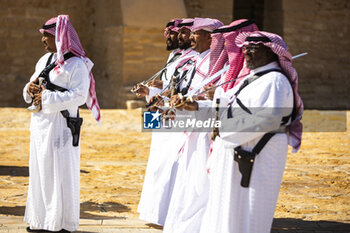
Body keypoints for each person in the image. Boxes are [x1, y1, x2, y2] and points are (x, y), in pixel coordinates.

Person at [199, 31, 303, 233]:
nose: (247, 52)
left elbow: (266, 120)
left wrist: (224, 129)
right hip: (236, 150)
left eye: (253, 48)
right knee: (228, 209)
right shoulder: (256, 78)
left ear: (272, 53)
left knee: (248, 212)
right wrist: (216, 96)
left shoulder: (275, 81)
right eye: (245, 48)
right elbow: (232, 103)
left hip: (256, 155)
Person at [23, 15, 100, 233]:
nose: (43, 40)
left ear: (58, 36)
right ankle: (41, 221)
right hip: (40, 126)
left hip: (62, 127)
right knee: (40, 171)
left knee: (61, 173)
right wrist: (29, 89)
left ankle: (61, 224)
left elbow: (79, 96)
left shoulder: (78, 65)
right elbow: (33, 82)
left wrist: (46, 97)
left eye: (46, 35)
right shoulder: (44, 61)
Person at [162, 17, 223, 233]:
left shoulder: (215, 63)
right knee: (188, 180)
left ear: (210, 38)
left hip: (205, 130)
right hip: (188, 125)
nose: (192, 37)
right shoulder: (195, 59)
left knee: (200, 183)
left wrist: (193, 104)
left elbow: (213, 99)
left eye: (197, 33)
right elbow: (184, 89)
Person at [136, 18, 197, 226]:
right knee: (156, 161)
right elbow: (169, 85)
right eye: (172, 33)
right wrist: (150, 90)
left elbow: (183, 90)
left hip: (176, 115)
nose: (174, 36)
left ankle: (165, 214)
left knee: (169, 163)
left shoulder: (195, 58)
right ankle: (153, 212)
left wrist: (161, 92)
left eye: (180, 32)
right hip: (159, 112)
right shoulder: (174, 56)